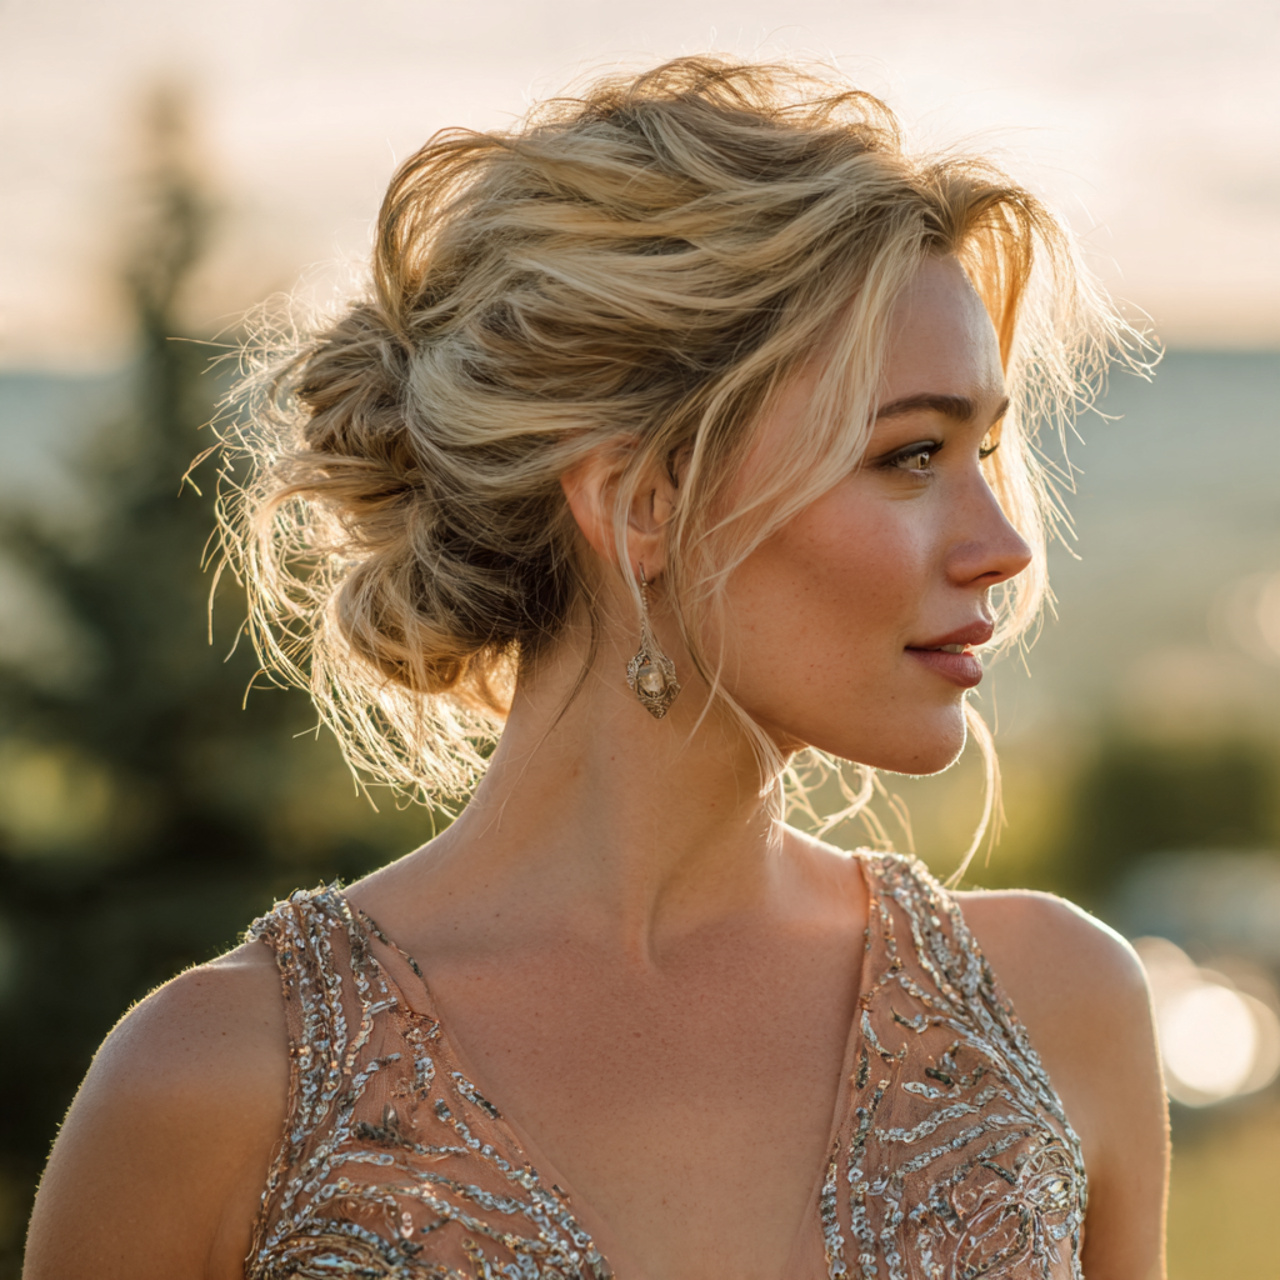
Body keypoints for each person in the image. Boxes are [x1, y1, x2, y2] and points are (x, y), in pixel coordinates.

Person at [23, 57, 1168, 1280]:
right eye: (908, 454)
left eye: (984, 450)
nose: (999, 545)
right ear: (642, 503)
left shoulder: (1056, 1012)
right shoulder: (219, 1086)